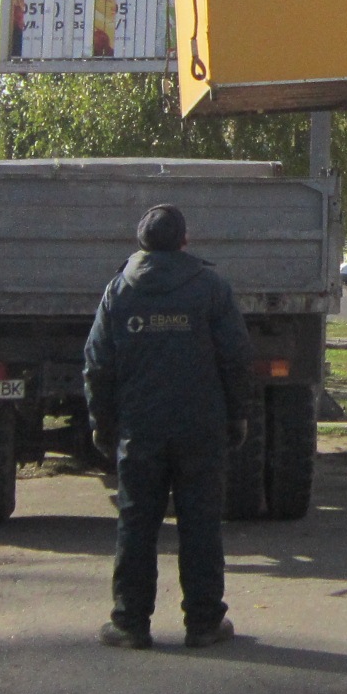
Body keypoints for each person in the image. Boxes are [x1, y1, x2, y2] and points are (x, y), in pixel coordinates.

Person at [84, 204, 253, 651]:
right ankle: (203, 623)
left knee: (137, 523)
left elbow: (98, 364)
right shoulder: (210, 288)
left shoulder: (119, 290)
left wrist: (103, 424)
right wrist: (237, 415)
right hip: (201, 427)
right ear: (184, 241)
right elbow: (235, 357)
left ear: (142, 243)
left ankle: (130, 623)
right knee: (200, 523)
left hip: (140, 429)